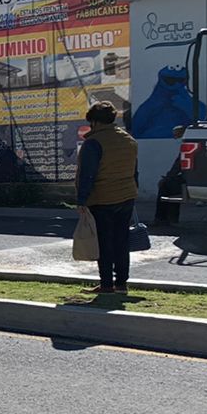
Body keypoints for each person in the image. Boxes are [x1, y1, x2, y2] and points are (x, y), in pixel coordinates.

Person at [76, 100, 139, 294]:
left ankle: (106, 284)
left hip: (102, 199)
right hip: (127, 196)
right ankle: (121, 283)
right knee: (121, 241)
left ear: (94, 121)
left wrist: (81, 200)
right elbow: (135, 171)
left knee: (104, 242)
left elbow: (88, 174)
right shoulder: (128, 139)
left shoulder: (93, 143)